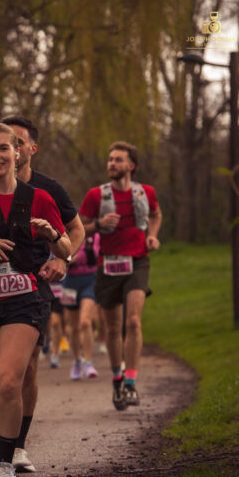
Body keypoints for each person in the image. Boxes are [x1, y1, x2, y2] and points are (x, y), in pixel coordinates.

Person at [0, 116, 84, 474]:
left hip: (26, 293)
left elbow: (69, 241)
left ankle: (10, 456)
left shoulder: (44, 193)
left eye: (5, 147)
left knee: (11, 378)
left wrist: (56, 247)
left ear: (20, 150)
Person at [79, 141, 161, 410]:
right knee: (113, 328)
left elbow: (156, 214)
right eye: (110, 159)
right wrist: (100, 225)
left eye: (117, 160)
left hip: (138, 262)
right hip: (108, 266)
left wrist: (151, 236)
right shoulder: (95, 196)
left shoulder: (145, 192)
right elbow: (78, 228)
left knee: (134, 322)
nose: (111, 164)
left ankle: (131, 383)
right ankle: (117, 380)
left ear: (131, 166)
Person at [61, 235, 102, 380]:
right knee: (74, 326)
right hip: (71, 283)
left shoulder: (95, 237)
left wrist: (83, 254)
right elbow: (57, 256)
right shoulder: (65, 237)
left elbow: (98, 255)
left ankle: (88, 361)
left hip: (90, 280)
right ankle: (77, 360)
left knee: (85, 321)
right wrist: (68, 259)